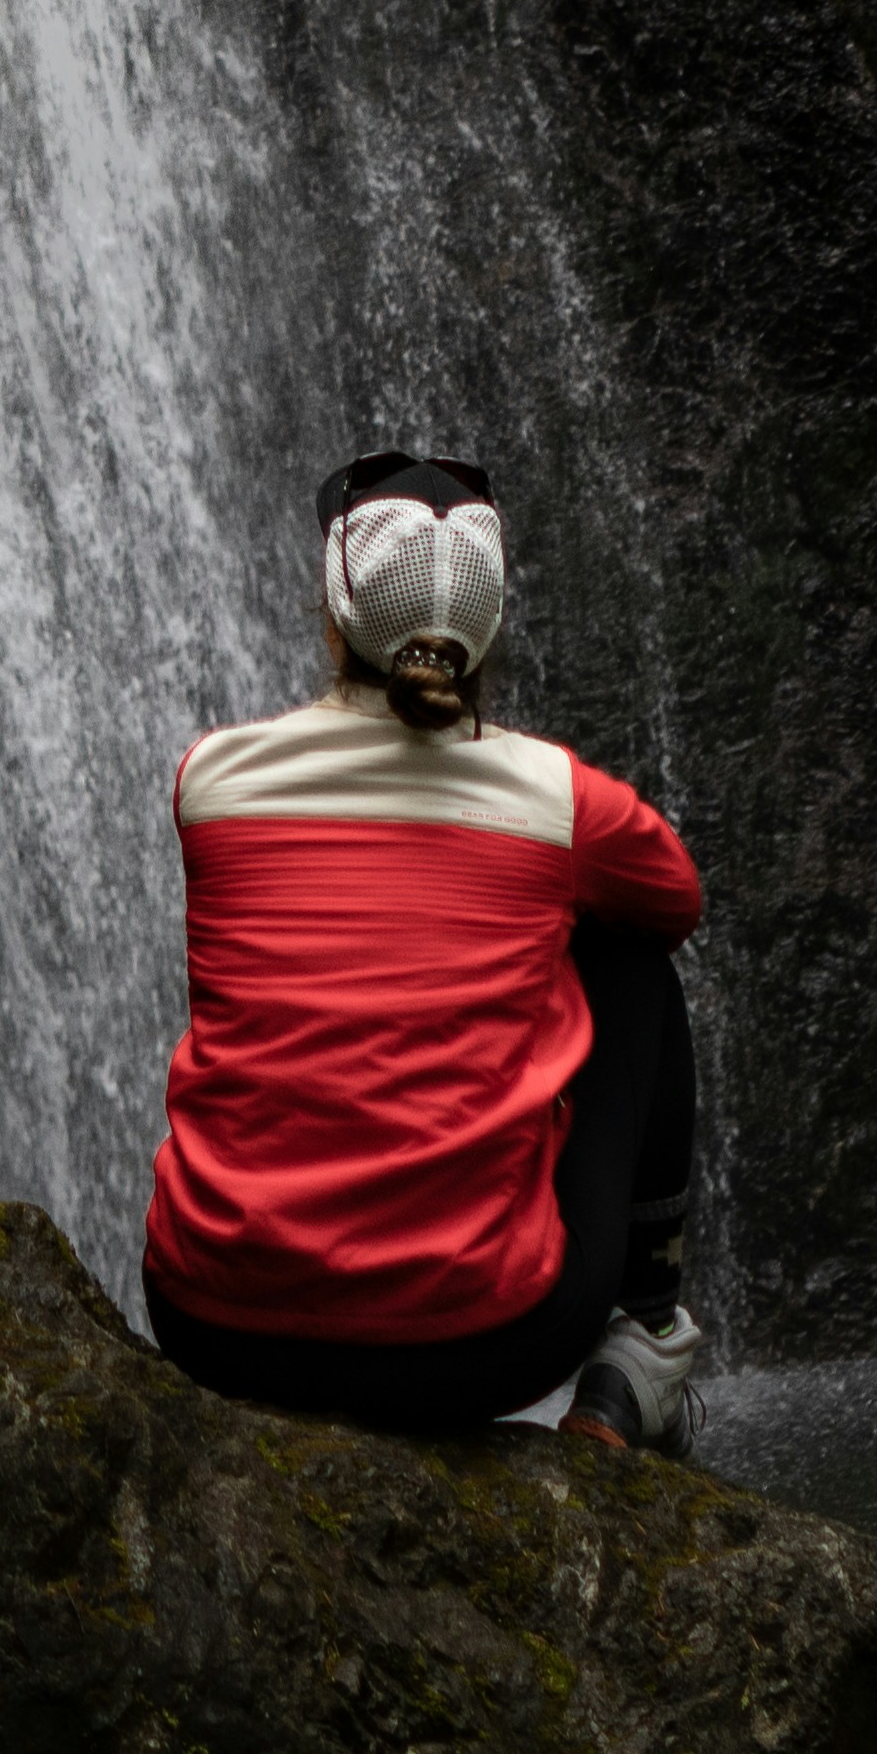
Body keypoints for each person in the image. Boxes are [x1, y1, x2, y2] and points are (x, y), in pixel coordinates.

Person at [134, 446, 709, 1451]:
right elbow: (672, 899)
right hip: (480, 1343)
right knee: (630, 965)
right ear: (484, 637)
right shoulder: (553, 799)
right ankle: (645, 1345)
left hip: (211, 1325)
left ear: (332, 614)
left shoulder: (209, 779)